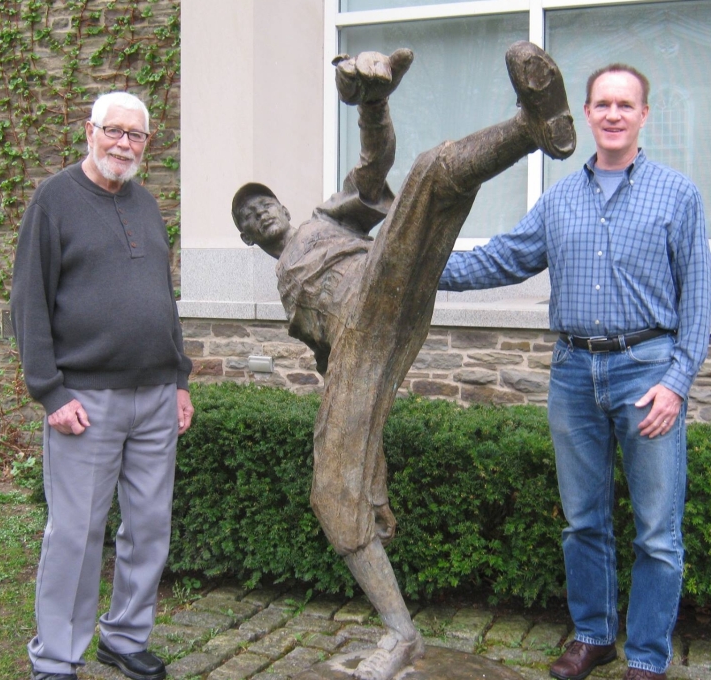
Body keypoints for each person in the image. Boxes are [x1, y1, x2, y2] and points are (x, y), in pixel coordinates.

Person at [231, 43, 575, 680]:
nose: (263, 211)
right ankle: (401, 633)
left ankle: (534, 126)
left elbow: (373, 166)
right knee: (332, 493)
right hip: (359, 347)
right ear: (249, 238)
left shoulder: (324, 218)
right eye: (251, 216)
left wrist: (374, 104)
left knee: (426, 173)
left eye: (265, 202)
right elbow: (339, 376)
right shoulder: (285, 293)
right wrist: (372, 475)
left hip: (380, 286)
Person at [439, 64, 711, 680]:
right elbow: (504, 258)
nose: (613, 114)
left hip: (647, 374)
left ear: (645, 114)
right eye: (602, 104)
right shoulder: (560, 197)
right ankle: (594, 637)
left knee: (657, 533)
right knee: (583, 520)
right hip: (572, 374)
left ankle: (646, 656)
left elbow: (697, 303)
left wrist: (676, 383)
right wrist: (419, 266)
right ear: (586, 115)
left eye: (625, 104)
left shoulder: (678, 195)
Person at [11, 91, 194, 680]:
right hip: (84, 402)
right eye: (113, 131)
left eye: (135, 135)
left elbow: (164, 300)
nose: (123, 144)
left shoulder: (145, 204)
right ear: (88, 130)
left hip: (154, 399)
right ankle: (58, 658)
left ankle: (124, 637)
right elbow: (29, 302)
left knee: (149, 527)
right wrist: (50, 391)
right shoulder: (55, 200)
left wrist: (179, 379)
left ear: (147, 142)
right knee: (76, 534)